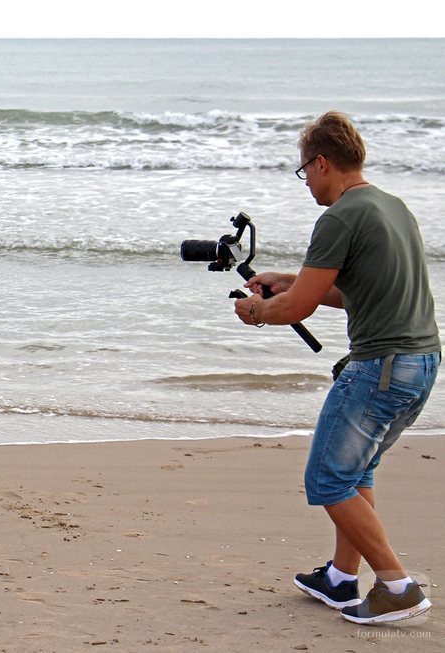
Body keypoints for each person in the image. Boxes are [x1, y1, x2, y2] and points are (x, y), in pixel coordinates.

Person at [233, 111, 439, 625]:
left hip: (381, 367)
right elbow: (355, 294)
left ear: (322, 163)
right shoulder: (391, 207)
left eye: (304, 172)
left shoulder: (340, 216)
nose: (307, 184)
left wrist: (255, 311)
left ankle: (397, 586)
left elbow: (296, 309)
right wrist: (287, 279)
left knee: (327, 479)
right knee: (357, 470)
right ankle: (342, 578)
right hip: (421, 362)